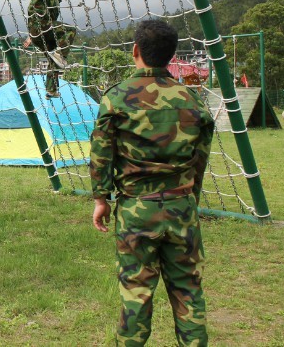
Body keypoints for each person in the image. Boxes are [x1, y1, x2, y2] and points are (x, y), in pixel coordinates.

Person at [89, 19, 214, 346]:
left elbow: (101, 153)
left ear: (135, 50)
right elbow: (200, 159)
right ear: (171, 56)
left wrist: (101, 199)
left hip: (135, 211)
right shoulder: (192, 99)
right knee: (188, 293)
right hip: (181, 208)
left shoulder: (115, 98)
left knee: (136, 295)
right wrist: (190, 199)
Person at [22, 0, 76, 98]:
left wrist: (32, 36)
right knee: (71, 30)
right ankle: (60, 54)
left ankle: (51, 90)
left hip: (41, 32)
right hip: (41, 27)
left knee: (54, 61)